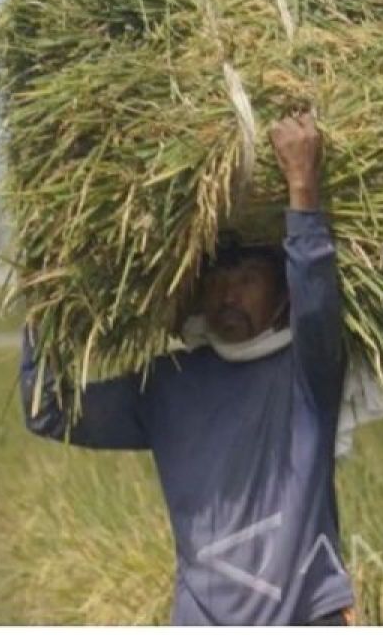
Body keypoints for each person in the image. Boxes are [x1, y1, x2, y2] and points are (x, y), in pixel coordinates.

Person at [19, 112, 357, 625]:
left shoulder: (307, 374)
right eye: (217, 277)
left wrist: (302, 189)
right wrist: (45, 290)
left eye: (248, 278)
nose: (229, 293)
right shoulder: (169, 384)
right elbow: (48, 411)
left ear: (282, 293)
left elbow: (317, 304)